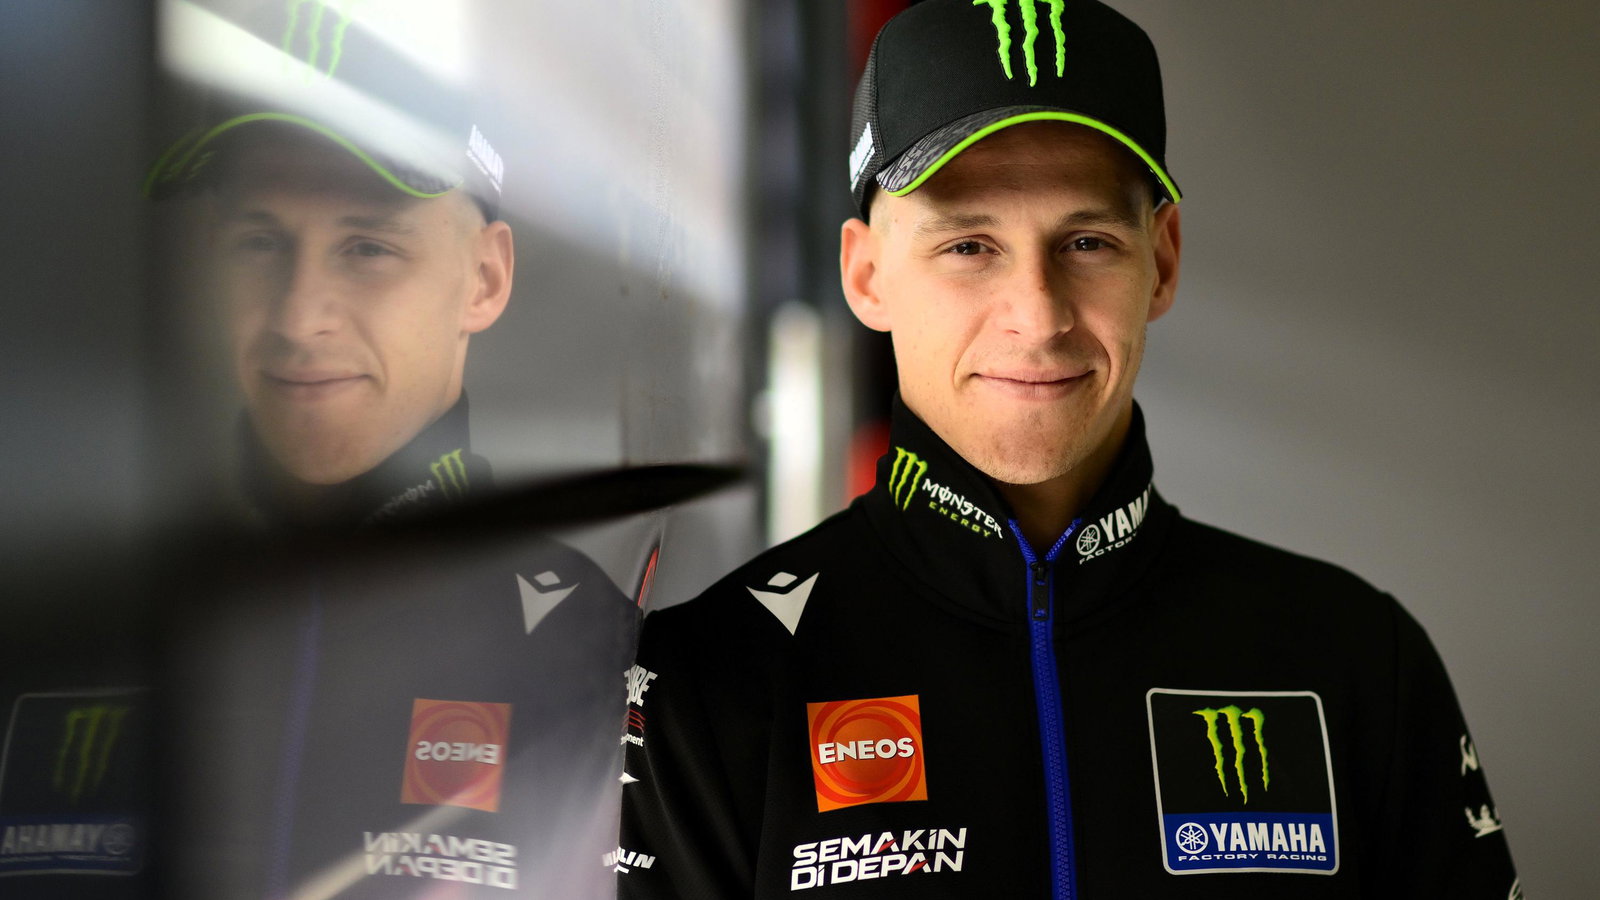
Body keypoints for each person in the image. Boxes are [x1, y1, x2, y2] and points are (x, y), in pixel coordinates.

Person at [618, 1, 1518, 897]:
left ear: (1162, 261)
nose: (1038, 315)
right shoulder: (712, 679)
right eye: (970, 245)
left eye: (1087, 242)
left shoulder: (1356, 658)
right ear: (867, 275)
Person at [150, 93, 637, 898]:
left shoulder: (598, 654)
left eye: (367, 248)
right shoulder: (74, 607)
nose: (298, 318)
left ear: (484, 278)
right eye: (260, 242)